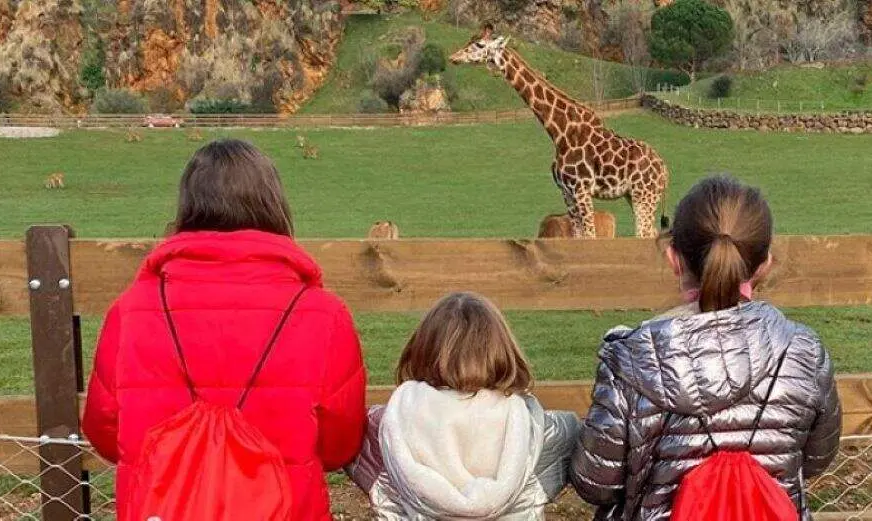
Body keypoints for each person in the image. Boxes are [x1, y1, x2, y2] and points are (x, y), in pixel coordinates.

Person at [82, 139, 366, 520]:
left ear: (188, 205)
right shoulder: (323, 313)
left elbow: (104, 427)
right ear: (272, 204)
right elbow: (339, 443)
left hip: (165, 507)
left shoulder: (132, 309)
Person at [571, 175, 841, 520]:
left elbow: (595, 482)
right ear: (764, 263)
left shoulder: (630, 357)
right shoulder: (804, 352)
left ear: (673, 258)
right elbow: (817, 458)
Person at [345, 292, 581, 520]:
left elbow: (340, 442)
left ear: (421, 350)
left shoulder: (379, 428)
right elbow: (593, 466)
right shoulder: (549, 433)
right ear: (502, 351)